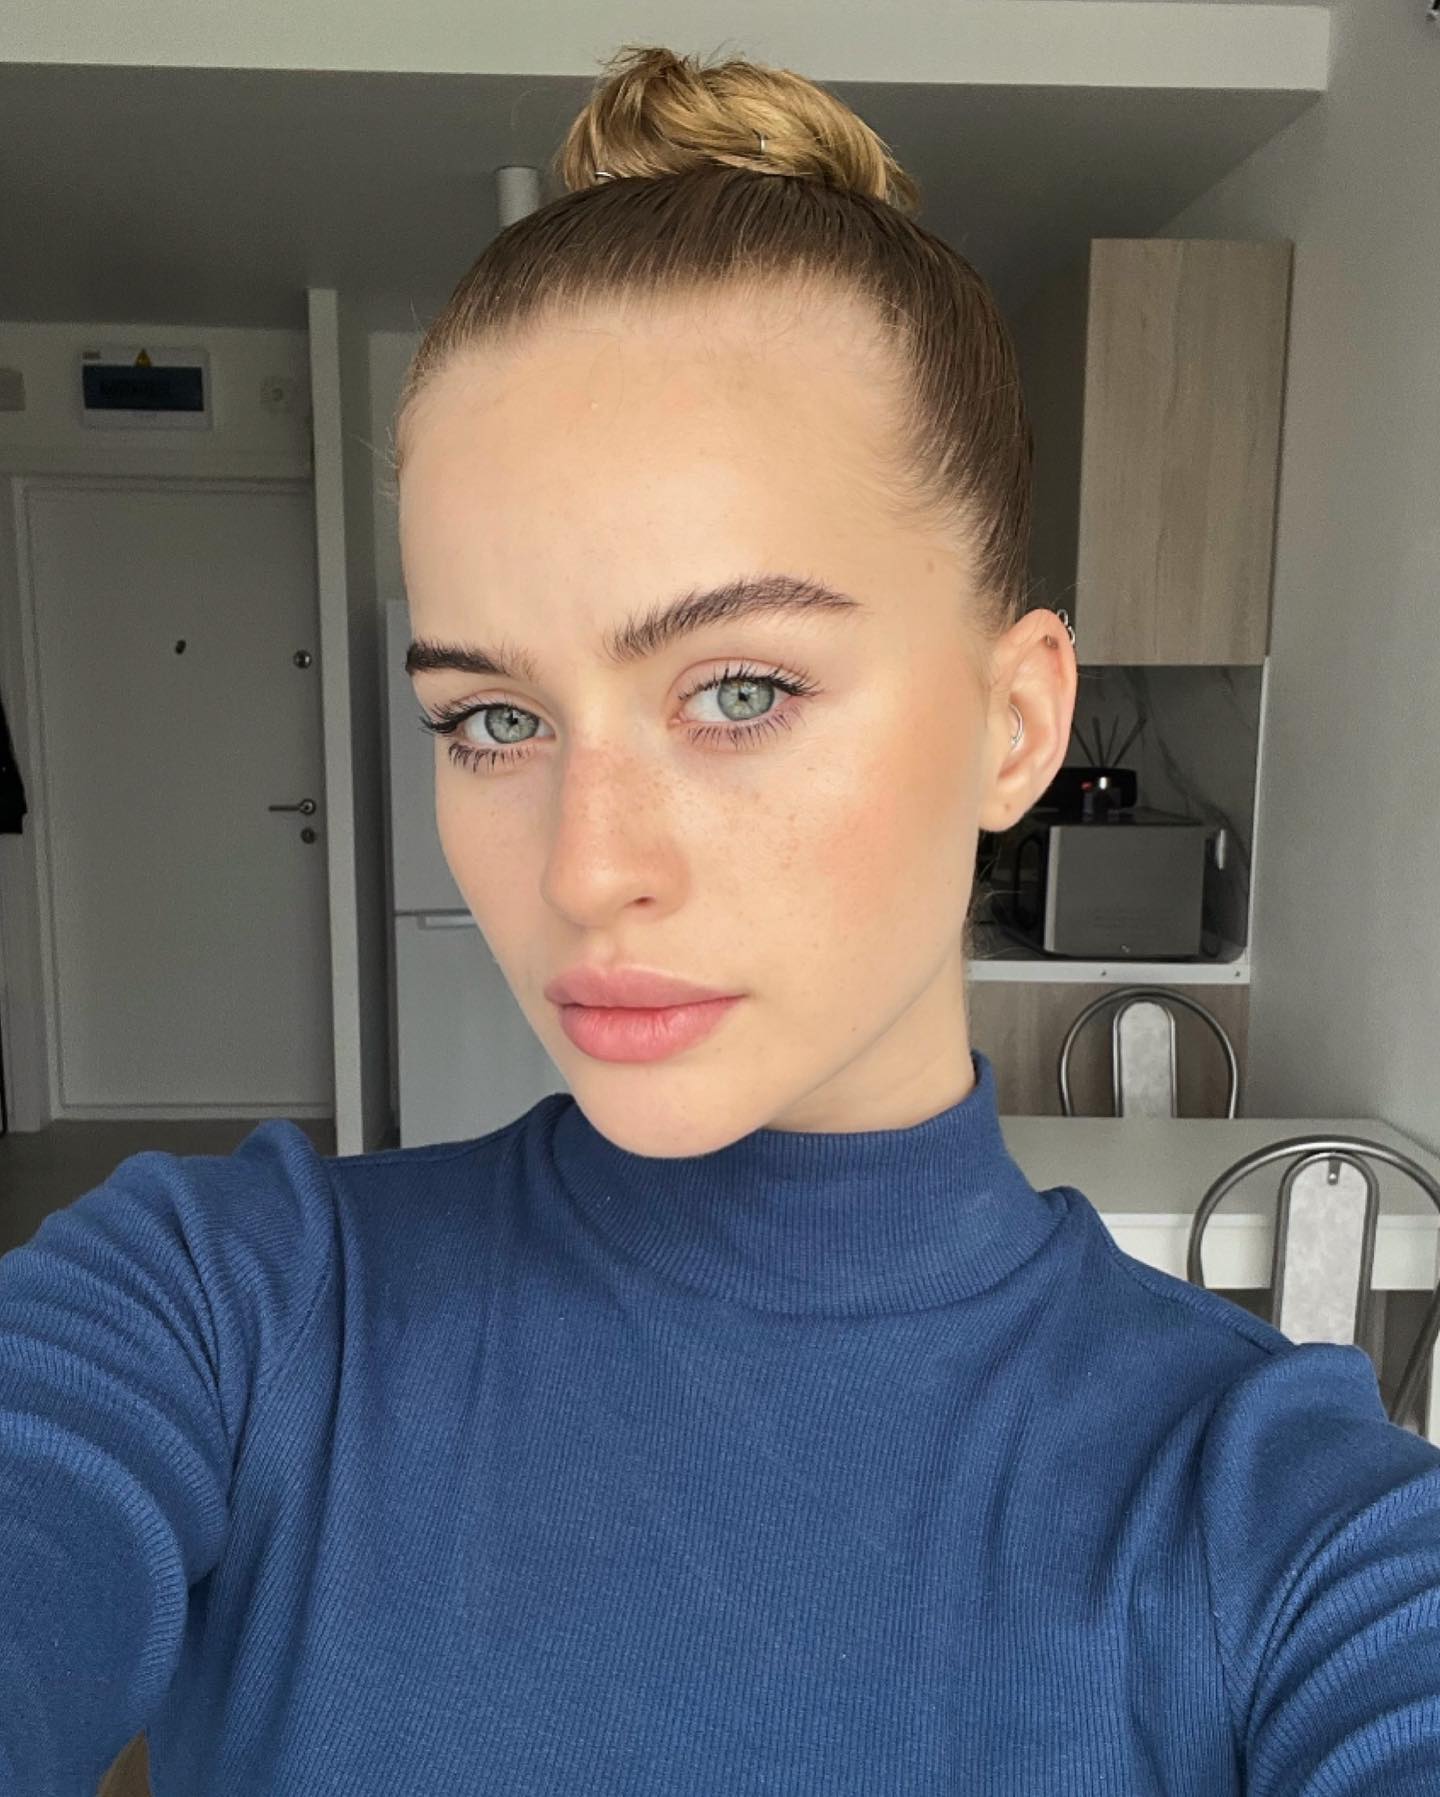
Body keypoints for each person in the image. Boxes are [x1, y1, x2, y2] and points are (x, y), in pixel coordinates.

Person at [3, 43, 1440, 1797]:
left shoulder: (1282, 1525)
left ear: (1017, 723)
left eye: (741, 689)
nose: (585, 867)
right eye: (494, 716)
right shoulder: (224, 1307)